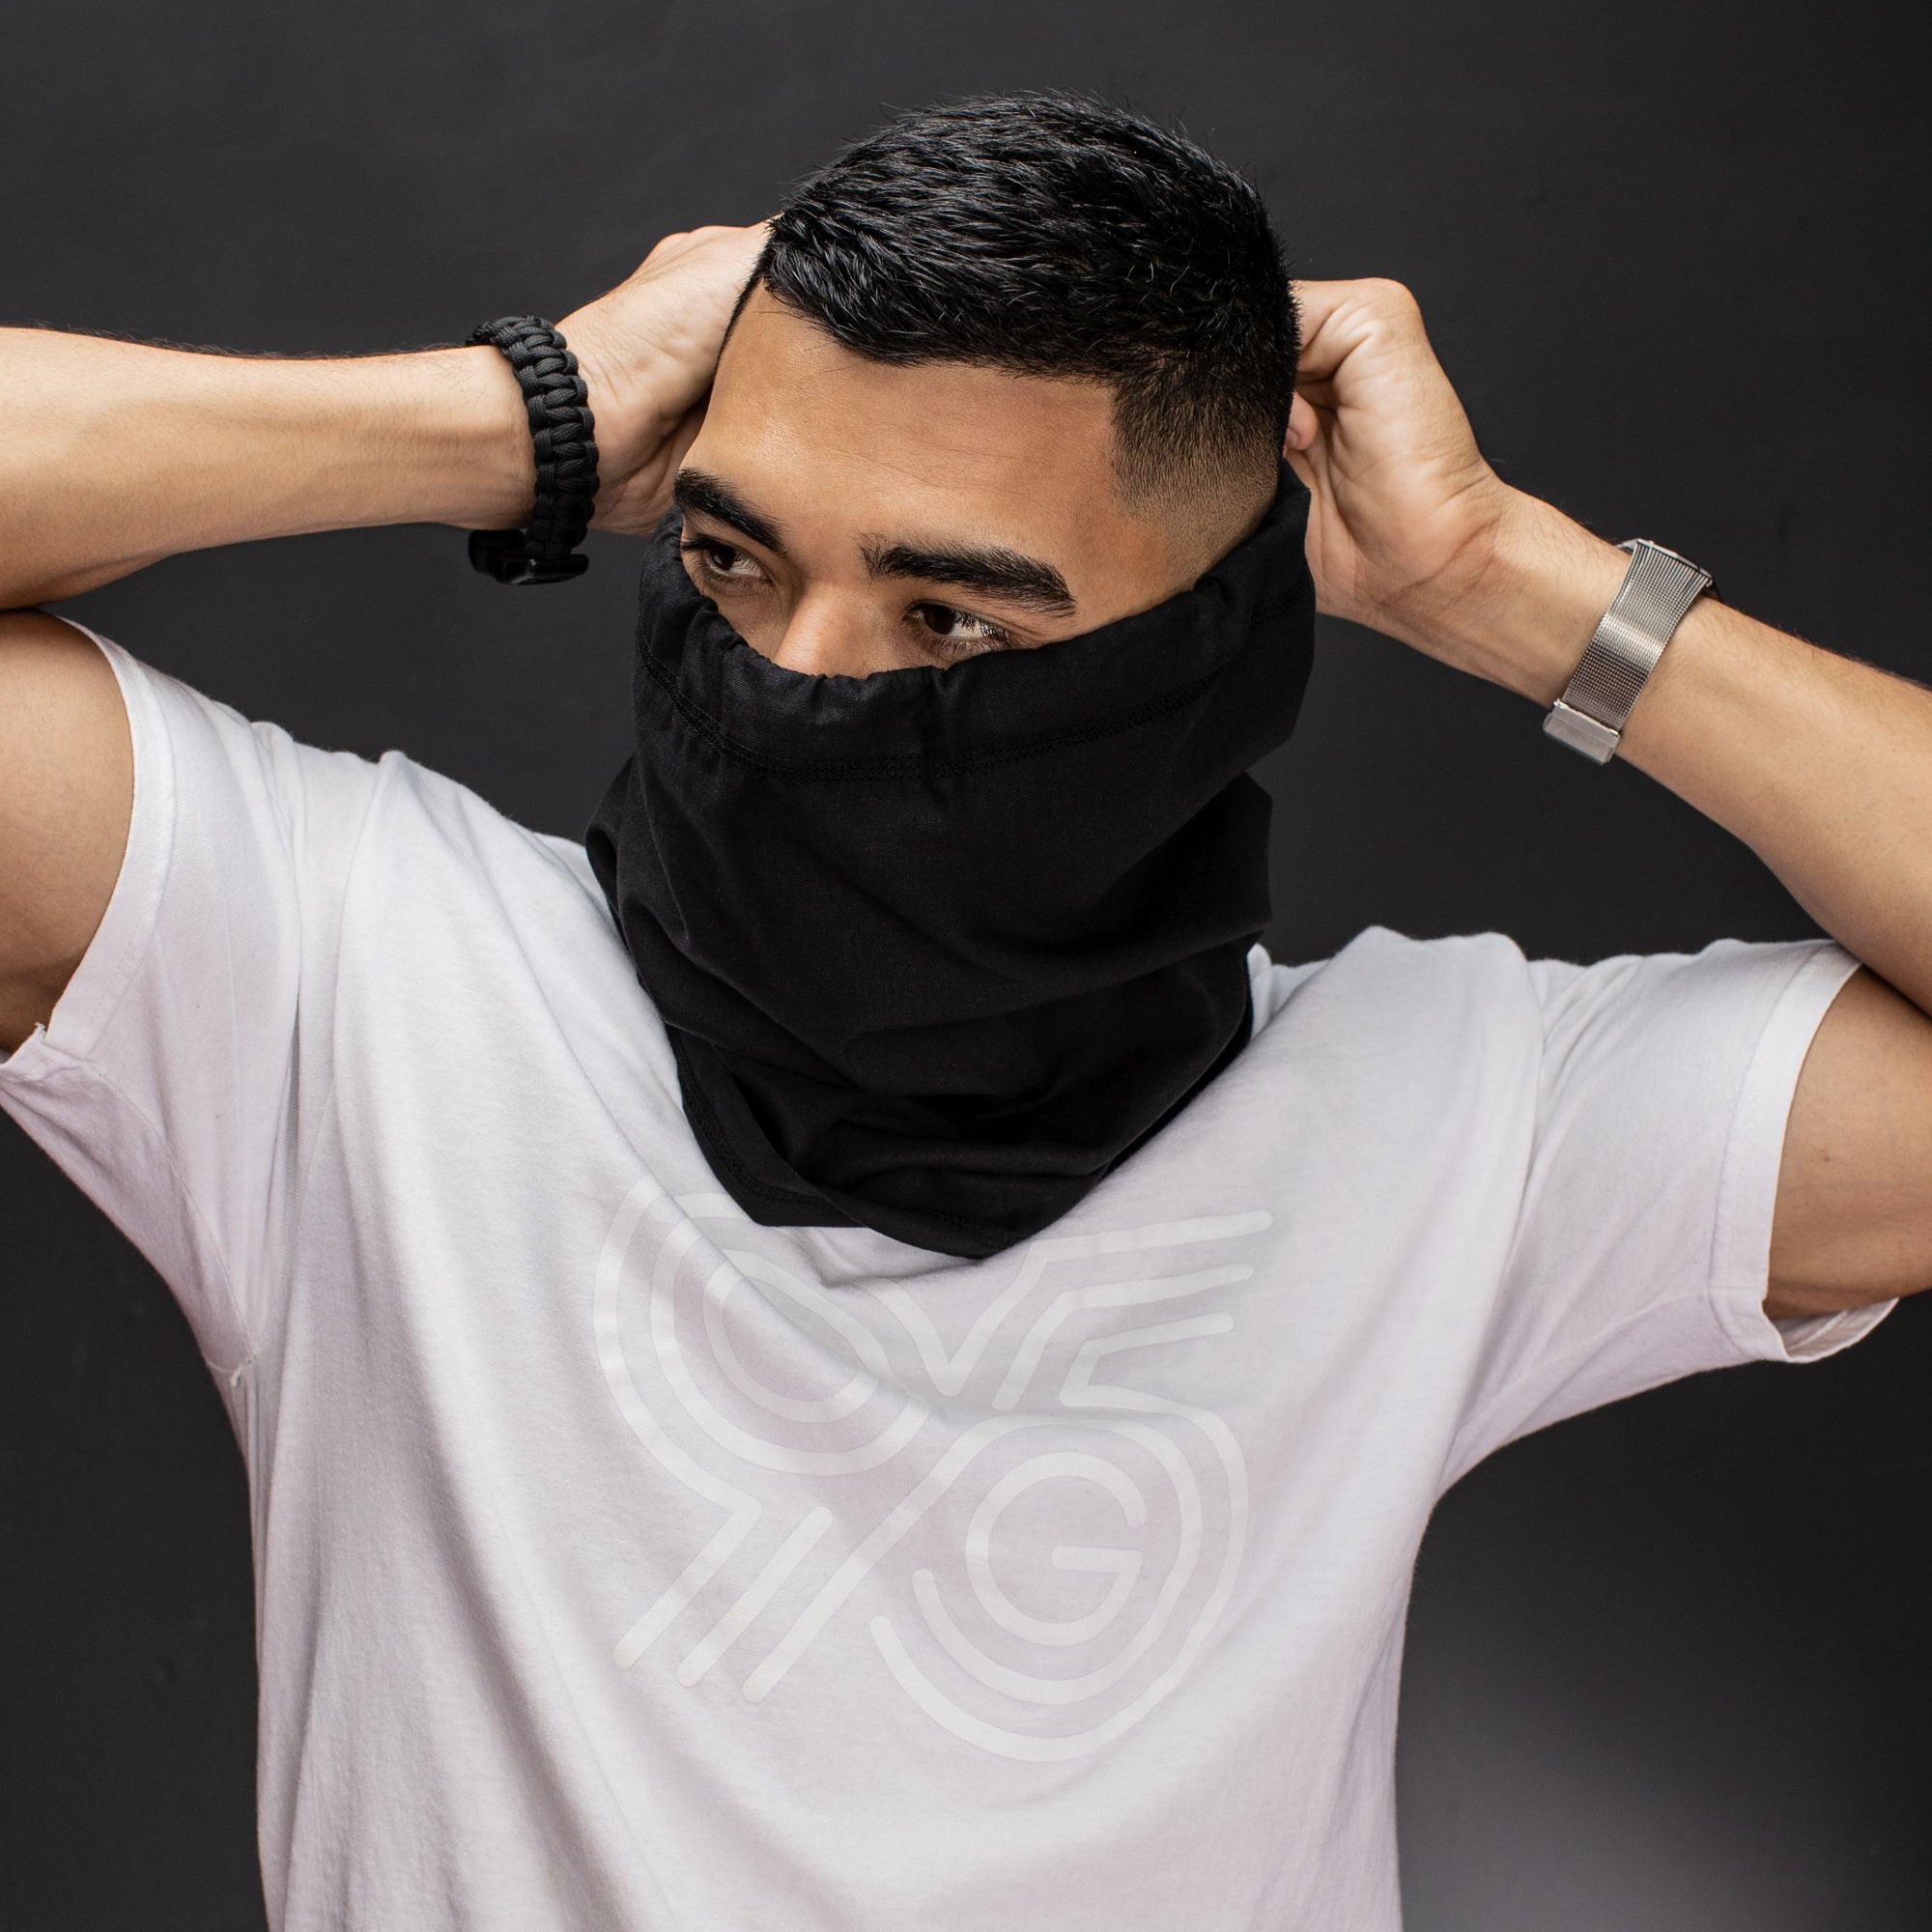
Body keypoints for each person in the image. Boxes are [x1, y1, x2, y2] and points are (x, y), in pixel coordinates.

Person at [1, 92, 1926, 1932]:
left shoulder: (1455, 1127)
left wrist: (1503, 578)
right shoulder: (345, 984)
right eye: (734, 562)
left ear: (1202, 661)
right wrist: (526, 413)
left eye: (948, 626)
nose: (794, 683)